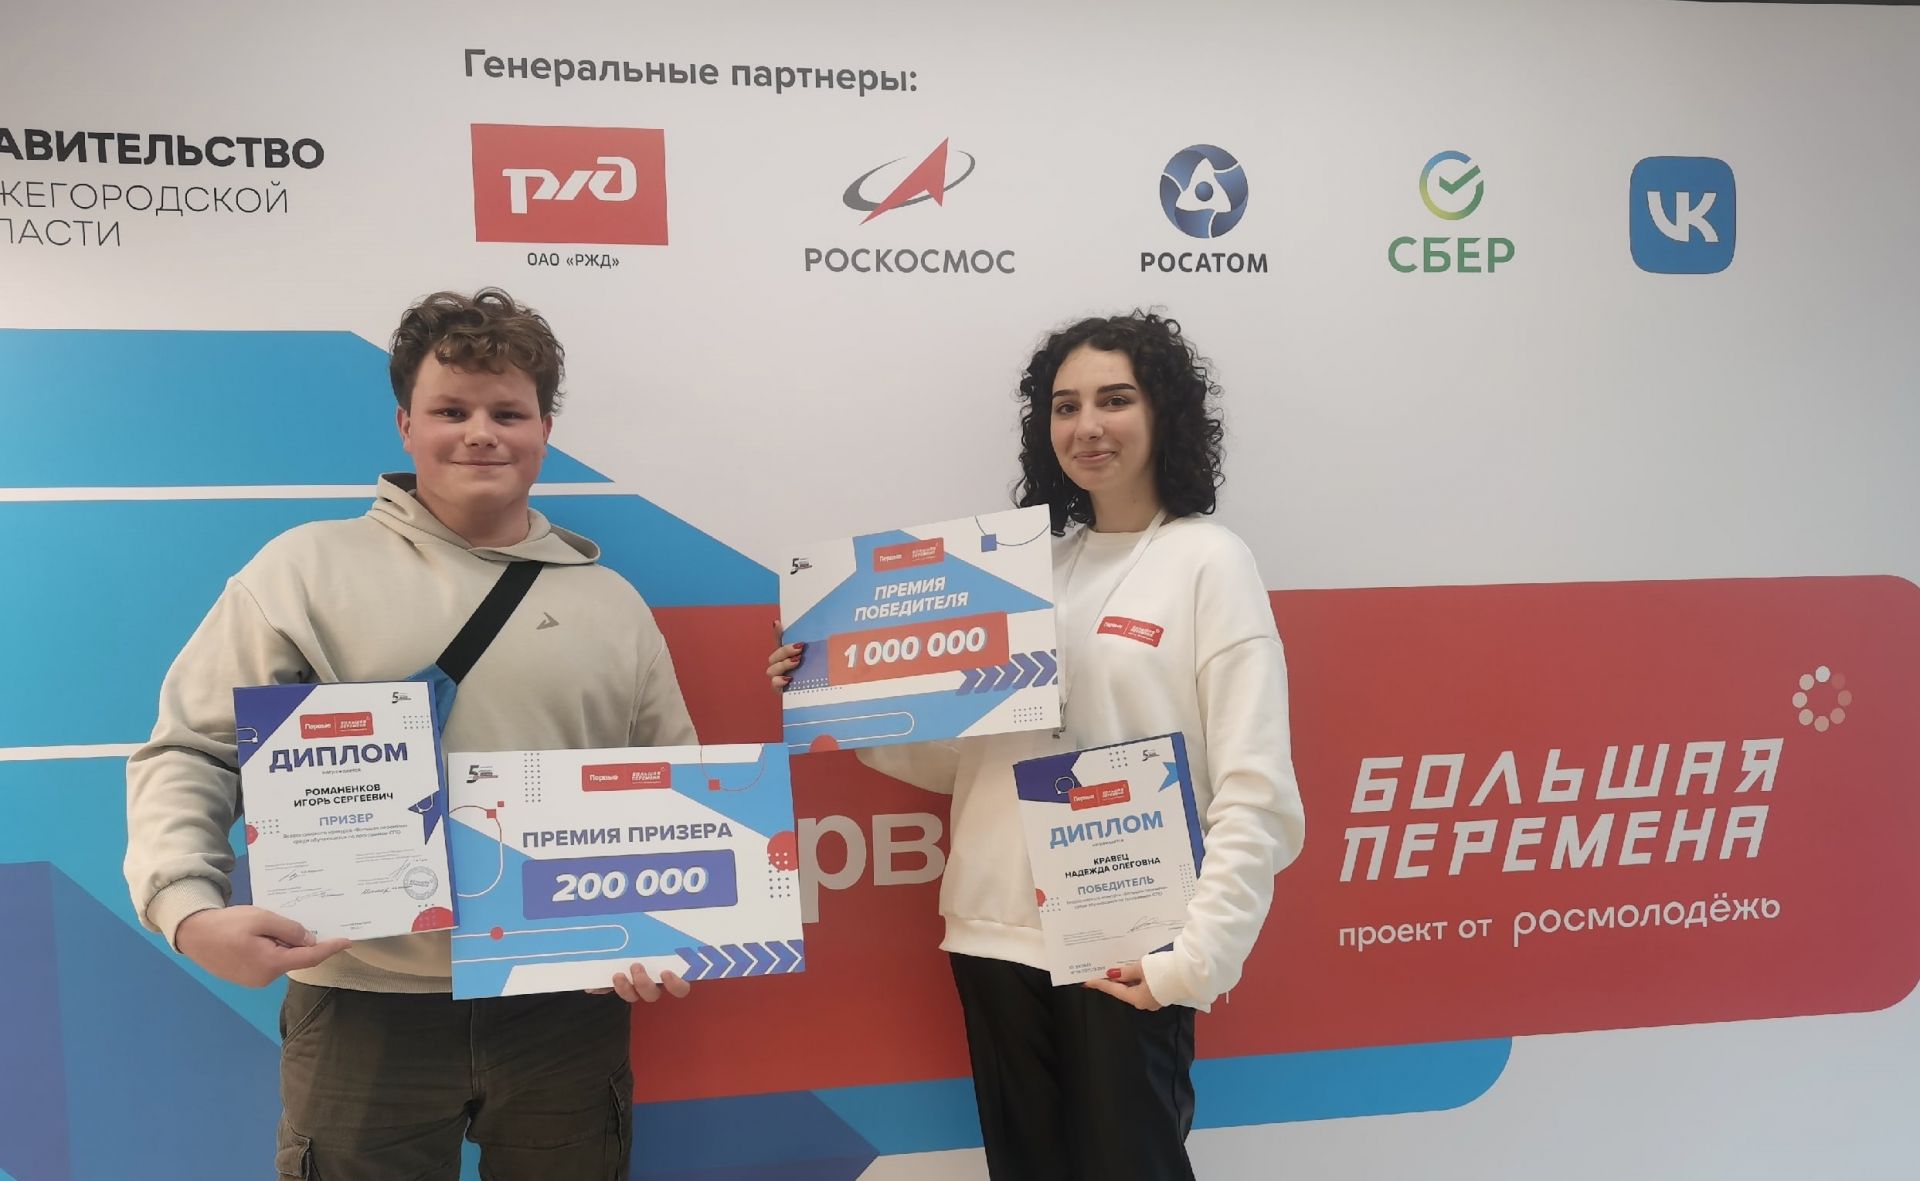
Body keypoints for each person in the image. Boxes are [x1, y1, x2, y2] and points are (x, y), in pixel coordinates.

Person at [125, 288, 696, 1180]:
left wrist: (673, 923)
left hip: (565, 999)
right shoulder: (303, 570)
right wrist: (184, 908)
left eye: (508, 412)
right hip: (363, 1001)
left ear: (545, 429)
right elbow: (193, 749)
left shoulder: (612, 602)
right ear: (405, 424)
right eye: (451, 410)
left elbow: (672, 784)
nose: (481, 433)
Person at [768, 312, 1305, 1181]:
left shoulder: (1210, 562)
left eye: (1115, 399)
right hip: (994, 936)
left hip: (1127, 941)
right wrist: (838, 693)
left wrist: (1195, 959)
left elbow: (1256, 791)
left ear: (1164, 412)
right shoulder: (1023, 575)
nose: (1088, 425)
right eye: (1066, 406)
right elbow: (971, 761)